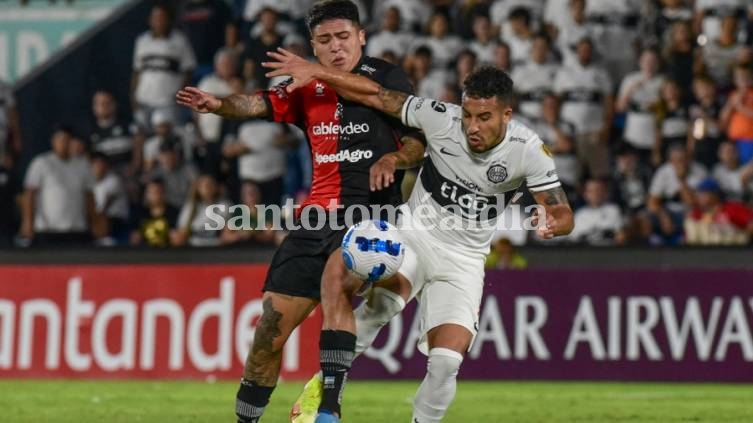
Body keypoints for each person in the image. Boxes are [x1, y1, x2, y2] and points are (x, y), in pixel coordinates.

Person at [264, 54, 574, 422]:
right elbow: (379, 96)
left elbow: (562, 212)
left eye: (484, 118)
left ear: (507, 115)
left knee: (445, 363)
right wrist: (318, 71)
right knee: (375, 312)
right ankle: (323, 391)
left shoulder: (528, 150)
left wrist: (552, 221)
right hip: (414, 236)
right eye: (468, 114)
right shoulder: (441, 118)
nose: (472, 126)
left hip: (464, 260)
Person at [175, 1, 426, 422]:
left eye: (343, 37)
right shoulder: (305, 87)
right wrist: (218, 104)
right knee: (267, 335)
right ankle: (246, 419)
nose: (335, 47)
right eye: (325, 41)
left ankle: (328, 411)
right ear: (313, 44)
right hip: (315, 220)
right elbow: (256, 104)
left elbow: (417, 140)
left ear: (361, 36)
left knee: (335, 281)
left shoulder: (385, 77)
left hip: (368, 218)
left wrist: (394, 161)